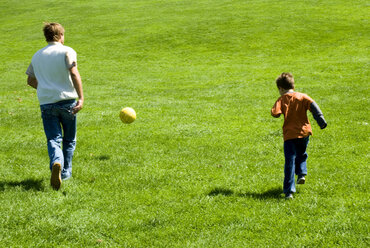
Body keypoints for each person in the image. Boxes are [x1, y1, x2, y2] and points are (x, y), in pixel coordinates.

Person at [26, 22, 84, 190]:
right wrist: (81, 98)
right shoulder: (67, 51)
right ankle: (65, 174)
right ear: (59, 36)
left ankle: (56, 161)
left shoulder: (37, 55)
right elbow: (73, 72)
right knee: (69, 139)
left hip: (46, 103)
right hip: (67, 101)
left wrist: (45, 88)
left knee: (53, 138)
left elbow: (30, 80)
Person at [271, 73, 327, 199]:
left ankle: (289, 191)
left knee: (289, 161)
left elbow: (275, 113)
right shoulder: (303, 96)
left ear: (280, 88)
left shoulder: (281, 99)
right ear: (293, 85)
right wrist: (321, 121)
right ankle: (301, 174)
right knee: (301, 154)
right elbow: (314, 107)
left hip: (290, 135)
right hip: (304, 132)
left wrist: (278, 109)